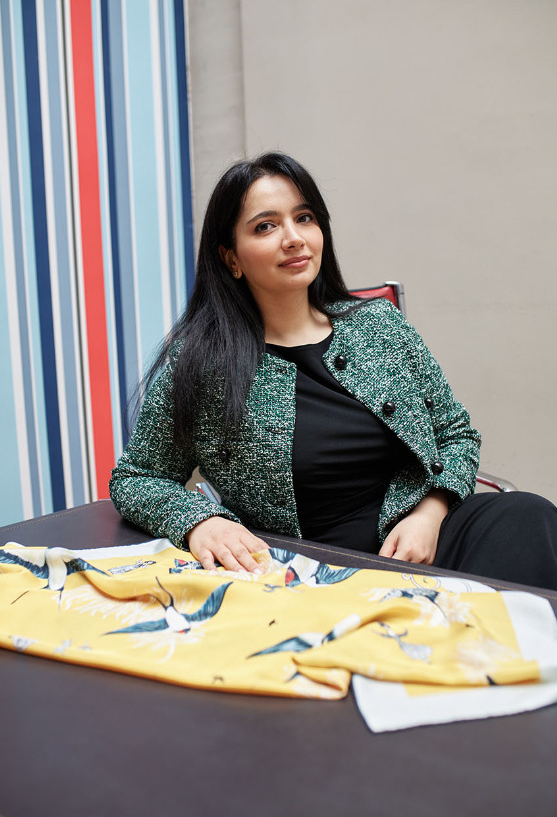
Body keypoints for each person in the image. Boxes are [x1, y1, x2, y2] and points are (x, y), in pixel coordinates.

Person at [110, 152, 557, 590]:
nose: (293, 238)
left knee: (528, 515)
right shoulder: (203, 361)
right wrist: (200, 522)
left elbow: (455, 434)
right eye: (265, 226)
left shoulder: (379, 325)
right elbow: (136, 478)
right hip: (312, 574)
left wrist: (430, 512)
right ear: (231, 258)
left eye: (304, 218)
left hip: (424, 543)